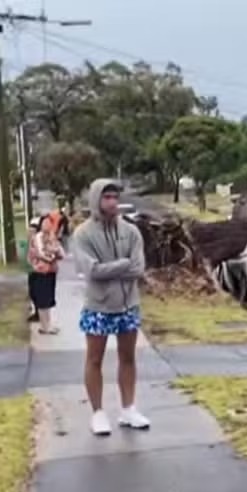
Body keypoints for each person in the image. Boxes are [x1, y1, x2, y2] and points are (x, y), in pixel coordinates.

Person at [72, 179, 149, 437]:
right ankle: (97, 413)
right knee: (94, 359)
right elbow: (91, 271)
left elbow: (138, 268)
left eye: (115, 197)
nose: (113, 202)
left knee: (128, 358)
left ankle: (128, 409)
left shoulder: (131, 231)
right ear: (96, 200)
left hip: (129, 304)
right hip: (98, 306)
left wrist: (118, 267)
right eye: (107, 198)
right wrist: (123, 264)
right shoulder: (83, 234)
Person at [28, 214, 65, 334]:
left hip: (50, 271)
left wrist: (55, 252)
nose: (47, 225)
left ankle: (48, 325)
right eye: (45, 223)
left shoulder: (52, 238)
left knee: (48, 300)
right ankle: (45, 326)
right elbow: (40, 254)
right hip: (40, 272)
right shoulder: (37, 238)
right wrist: (52, 254)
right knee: (42, 300)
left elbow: (61, 253)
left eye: (49, 223)